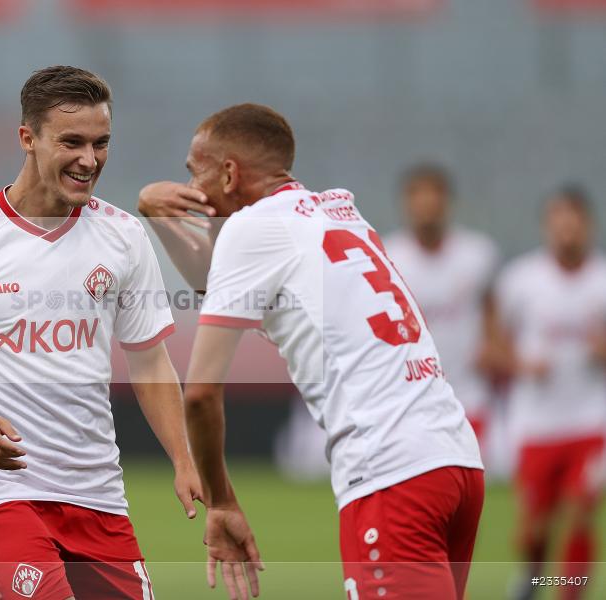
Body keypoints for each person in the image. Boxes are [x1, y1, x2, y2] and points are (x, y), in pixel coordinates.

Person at [141, 103, 484, 600]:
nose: (193, 192)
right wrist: (158, 217)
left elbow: (199, 395)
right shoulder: (339, 209)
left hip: (390, 473)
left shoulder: (252, 228)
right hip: (456, 462)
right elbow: (217, 285)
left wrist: (222, 503)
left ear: (230, 173)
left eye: (195, 174)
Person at [0, 65, 202, 600]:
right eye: (72, 142)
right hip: (3, 497)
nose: (90, 160)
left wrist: (183, 459)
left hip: (99, 496)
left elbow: (150, 362)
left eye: (101, 142)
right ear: (27, 138)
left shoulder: (125, 238)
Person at [494, 187, 606, 600]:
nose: (567, 230)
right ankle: (533, 580)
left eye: (575, 220)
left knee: (580, 511)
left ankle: (569, 593)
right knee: (535, 528)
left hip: (591, 422)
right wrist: (521, 363)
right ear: (548, 226)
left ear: (587, 226)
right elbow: (493, 347)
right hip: (536, 423)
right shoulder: (521, 280)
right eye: (559, 220)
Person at [384, 164, 501, 446]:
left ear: (447, 202)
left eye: (434, 198)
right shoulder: (388, 256)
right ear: (406, 203)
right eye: (418, 198)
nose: (427, 207)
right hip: (410, 396)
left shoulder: (477, 254)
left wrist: (492, 345)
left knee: (471, 483)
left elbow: (491, 310)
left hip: (467, 393)